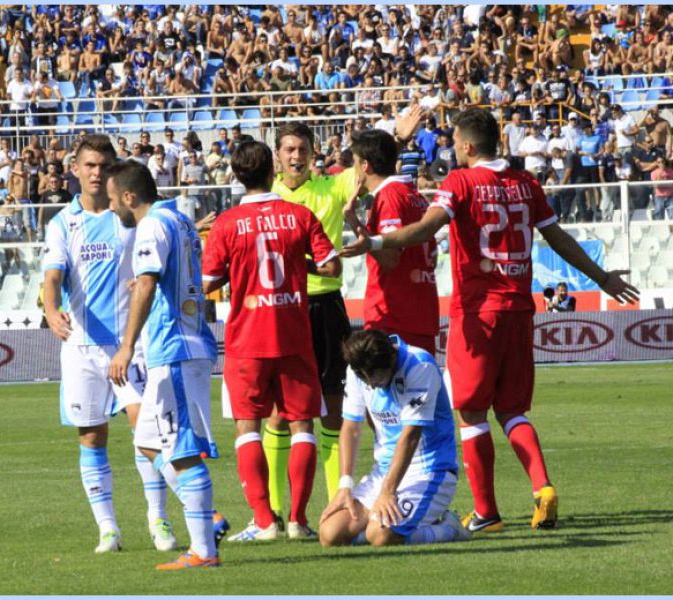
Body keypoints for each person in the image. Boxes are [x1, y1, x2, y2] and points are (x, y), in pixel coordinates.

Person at [342, 108, 639, 533]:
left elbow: (425, 229)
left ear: (466, 146)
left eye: (455, 143)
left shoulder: (460, 182)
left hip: (477, 314)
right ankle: (542, 486)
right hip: (519, 309)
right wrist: (603, 278)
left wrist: (373, 241)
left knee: (472, 414)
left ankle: (487, 513)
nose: (453, 150)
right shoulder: (526, 183)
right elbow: (558, 238)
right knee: (513, 410)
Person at [42, 135, 176, 555]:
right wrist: (51, 309)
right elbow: (52, 276)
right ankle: (108, 529)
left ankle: (158, 518)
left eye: (103, 166)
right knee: (91, 436)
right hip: (82, 346)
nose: (97, 173)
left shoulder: (130, 216)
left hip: (132, 344)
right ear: (75, 169)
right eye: (90, 165)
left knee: (146, 431)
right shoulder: (62, 223)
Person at [201, 141, 340, 542]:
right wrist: (299, 262)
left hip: (247, 338)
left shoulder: (226, 224)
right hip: (294, 333)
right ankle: (298, 520)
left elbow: (208, 282)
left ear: (237, 175)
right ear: (272, 171)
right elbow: (331, 265)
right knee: (303, 426)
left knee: (248, 427)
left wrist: (236, 272)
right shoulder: (299, 216)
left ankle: (264, 521)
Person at [105, 160, 225, 570]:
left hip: (174, 348)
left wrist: (126, 347)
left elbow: (149, 282)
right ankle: (209, 520)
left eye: (113, 200)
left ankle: (203, 551)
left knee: (182, 449)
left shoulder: (151, 225)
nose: (111, 208)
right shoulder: (180, 220)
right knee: (148, 442)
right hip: (183, 344)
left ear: (129, 196)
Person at [264, 122, 356, 521]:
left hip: (326, 305)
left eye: (302, 149)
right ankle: (271, 511)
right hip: (284, 308)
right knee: (279, 412)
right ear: (277, 156)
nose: (296, 156)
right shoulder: (267, 197)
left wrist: (400, 137)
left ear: (313, 153)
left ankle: (336, 508)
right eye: (288, 149)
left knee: (333, 408)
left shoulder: (332, 188)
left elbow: (366, 168)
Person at [318, 330, 470, 547]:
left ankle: (449, 528)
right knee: (330, 534)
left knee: (381, 535)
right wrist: (345, 486)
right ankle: (398, 523)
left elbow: (410, 436)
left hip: (429, 471)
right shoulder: (357, 368)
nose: (371, 384)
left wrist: (387, 492)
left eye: (376, 377)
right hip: (383, 471)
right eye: (364, 378)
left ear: (391, 359)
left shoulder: (420, 365)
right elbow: (350, 428)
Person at [345, 129, 439, 355]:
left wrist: (353, 220)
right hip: (419, 312)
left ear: (365, 166)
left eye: (354, 163)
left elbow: (390, 259)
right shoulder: (413, 194)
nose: (353, 170)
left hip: (393, 316)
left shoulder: (389, 196)